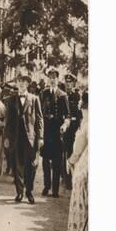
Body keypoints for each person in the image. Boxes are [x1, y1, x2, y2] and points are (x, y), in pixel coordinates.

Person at [4, 74, 43, 204]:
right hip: (16, 138)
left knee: (31, 166)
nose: (21, 84)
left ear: (27, 84)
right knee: (17, 165)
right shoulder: (11, 99)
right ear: (16, 84)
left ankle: (29, 192)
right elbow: (8, 121)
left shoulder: (34, 99)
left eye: (24, 82)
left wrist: (40, 137)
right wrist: (7, 138)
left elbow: (39, 119)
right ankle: (19, 192)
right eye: (19, 81)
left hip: (30, 138)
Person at [40, 67, 70, 198]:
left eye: (54, 77)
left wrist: (65, 125)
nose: (52, 80)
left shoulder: (63, 95)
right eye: (50, 77)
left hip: (57, 132)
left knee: (57, 161)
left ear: (58, 79)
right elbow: (39, 113)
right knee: (46, 161)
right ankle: (47, 186)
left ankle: (55, 189)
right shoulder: (43, 93)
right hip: (46, 132)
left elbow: (68, 116)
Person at [67, 91, 89, 231]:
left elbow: (79, 147)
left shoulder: (87, 121)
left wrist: (71, 160)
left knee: (89, 213)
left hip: (87, 168)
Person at [62, 73, 82, 189]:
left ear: (73, 83)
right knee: (61, 154)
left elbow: (79, 115)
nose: (68, 84)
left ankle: (69, 180)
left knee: (70, 153)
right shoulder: (62, 95)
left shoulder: (77, 96)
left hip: (73, 130)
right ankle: (63, 177)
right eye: (66, 82)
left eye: (70, 82)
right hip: (63, 128)